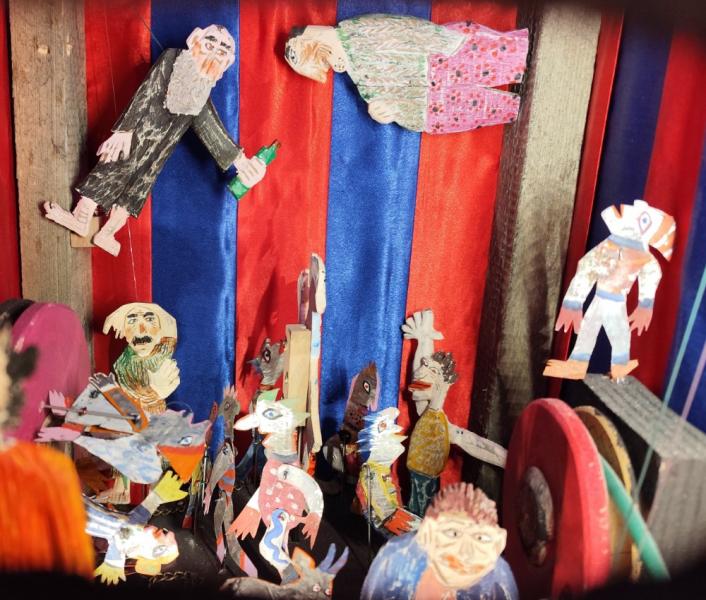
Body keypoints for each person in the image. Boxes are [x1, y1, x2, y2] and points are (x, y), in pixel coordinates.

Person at [44, 25, 267, 256]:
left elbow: (209, 126)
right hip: (137, 134)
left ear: (227, 62)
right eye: (209, 45)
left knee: (137, 190)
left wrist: (241, 161)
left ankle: (107, 233)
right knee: (111, 169)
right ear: (195, 40)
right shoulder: (172, 59)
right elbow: (146, 91)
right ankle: (81, 218)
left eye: (221, 52)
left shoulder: (202, 90)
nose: (212, 54)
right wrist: (124, 130)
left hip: (159, 151)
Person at [284, 14, 528, 134]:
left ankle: (517, 62)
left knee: (491, 58)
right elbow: (385, 98)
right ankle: (512, 106)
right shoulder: (356, 72)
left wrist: (442, 42)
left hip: (443, 56)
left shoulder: (359, 31)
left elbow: (405, 29)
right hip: (433, 97)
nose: (330, 66)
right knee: (471, 106)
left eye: (323, 60)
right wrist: (383, 111)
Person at [544, 199, 675, 381]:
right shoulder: (611, 246)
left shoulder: (642, 256)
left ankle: (618, 366)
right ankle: (579, 365)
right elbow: (587, 269)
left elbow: (651, 275)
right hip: (601, 298)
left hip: (616, 302)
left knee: (617, 333)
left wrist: (645, 305)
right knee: (590, 329)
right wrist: (573, 302)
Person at [402, 310, 507, 516]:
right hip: (415, 476)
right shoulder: (426, 409)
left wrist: (506, 459)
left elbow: (475, 444)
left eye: (431, 372)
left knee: (424, 512)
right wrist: (424, 340)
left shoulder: (442, 425)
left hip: (425, 482)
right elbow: (420, 375)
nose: (421, 373)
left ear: (442, 383)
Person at [362, 482, 518, 600]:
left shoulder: (498, 577)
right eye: (453, 534)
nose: (465, 552)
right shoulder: (395, 560)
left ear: (498, 542)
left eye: (480, 538)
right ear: (428, 532)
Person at [103, 302, 179, 415]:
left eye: (149, 319)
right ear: (124, 330)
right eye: (132, 321)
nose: (141, 330)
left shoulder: (163, 358)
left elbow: (171, 324)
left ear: (160, 327)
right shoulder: (123, 363)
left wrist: (157, 392)